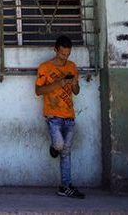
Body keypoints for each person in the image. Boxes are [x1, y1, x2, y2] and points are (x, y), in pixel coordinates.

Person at [35, 35, 85, 199]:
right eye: (62, 54)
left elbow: (76, 92)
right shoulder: (45, 67)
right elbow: (38, 91)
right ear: (55, 50)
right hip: (53, 115)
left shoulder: (72, 67)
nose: (65, 58)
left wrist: (74, 83)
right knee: (59, 145)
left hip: (69, 115)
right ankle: (54, 148)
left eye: (68, 54)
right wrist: (59, 83)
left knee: (66, 152)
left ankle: (65, 186)